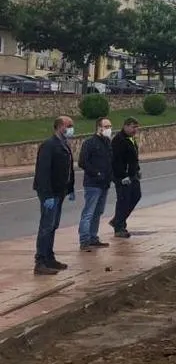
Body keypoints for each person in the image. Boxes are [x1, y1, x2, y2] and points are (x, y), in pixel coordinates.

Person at [32, 115, 76, 275]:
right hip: (49, 193)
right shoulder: (49, 145)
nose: (71, 128)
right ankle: (40, 261)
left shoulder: (64, 144)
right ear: (59, 127)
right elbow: (43, 171)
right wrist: (47, 194)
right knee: (46, 226)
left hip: (60, 191)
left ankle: (49, 257)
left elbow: (68, 169)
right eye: (69, 125)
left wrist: (70, 188)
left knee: (53, 225)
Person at [77, 117, 114, 251]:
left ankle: (93, 237)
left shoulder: (107, 143)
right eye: (106, 126)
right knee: (89, 212)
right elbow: (83, 162)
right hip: (93, 184)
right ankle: (84, 239)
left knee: (98, 211)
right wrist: (96, 173)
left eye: (110, 126)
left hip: (104, 184)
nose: (109, 129)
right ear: (99, 128)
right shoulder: (90, 143)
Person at [109, 117, 142, 238]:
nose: (135, 130)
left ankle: (117, 220)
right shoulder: (119, 140)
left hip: (132, 175)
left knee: (136, 196)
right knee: (123, 200)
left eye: (137, 127)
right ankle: (119, 227)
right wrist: (123, 176)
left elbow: (133, 158)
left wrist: (137, 170)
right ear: (126, 126)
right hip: (122, 177)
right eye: (133, 127)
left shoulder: (130, 139)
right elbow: (116, 161)